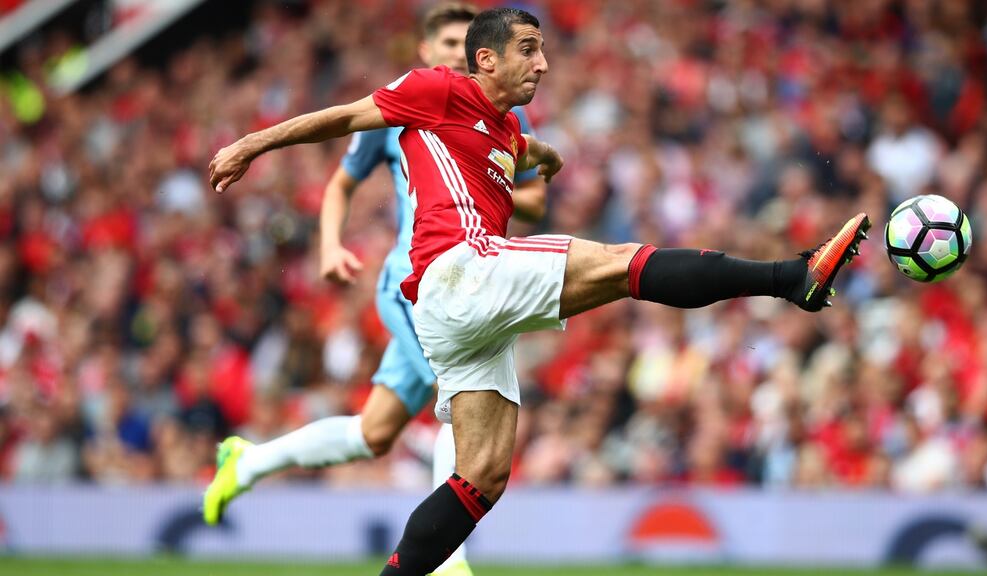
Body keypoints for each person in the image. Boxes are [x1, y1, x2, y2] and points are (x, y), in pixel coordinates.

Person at [208, 8, 871, 575]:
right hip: (460, 269)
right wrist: (250, 145)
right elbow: (343, 118)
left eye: (544, 49)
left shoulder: (502, 129)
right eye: (529, 49)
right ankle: (791, 279)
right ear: (486, 59)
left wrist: (544, 154)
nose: (544, 63)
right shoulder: (435, 88)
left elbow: (519, 149)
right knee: (621, 263)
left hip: (457, 314)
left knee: (481, 477)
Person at [202, 5, 545, 576]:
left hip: (473, 279)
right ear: (428, 51)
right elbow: (342, 178)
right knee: (462, 393)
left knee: (375, 431)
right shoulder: (410, 101)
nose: (453, 53)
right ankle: (451, 563)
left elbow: (534, 198)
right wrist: (329, 243)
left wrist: (500, 170)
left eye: (462, 43)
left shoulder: (506, 113)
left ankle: (248, 462)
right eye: (447, 43)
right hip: (418, 283)